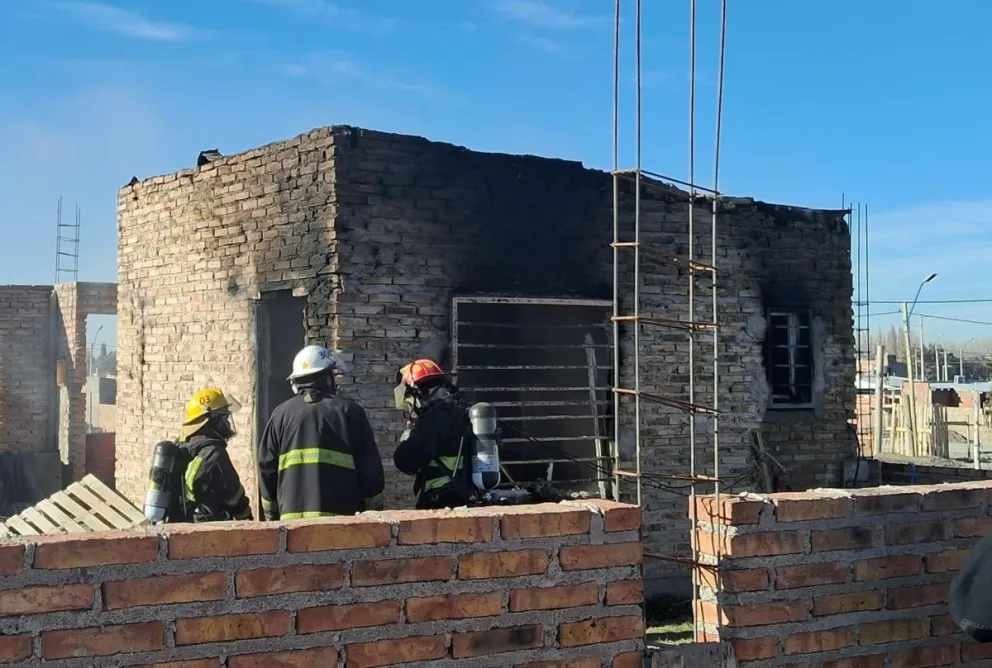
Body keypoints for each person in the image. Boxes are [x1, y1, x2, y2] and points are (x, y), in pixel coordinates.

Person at [257, 344, 385, 520]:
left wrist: (272, 515)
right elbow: (370, 470)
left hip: (291, 529)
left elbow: (266, 468)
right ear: (326, 378)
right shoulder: (350, 412)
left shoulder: (280, 415)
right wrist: (374, 513)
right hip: (341, 524)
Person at [392, 358, 474, 510]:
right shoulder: (461, 412)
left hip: (442, 501)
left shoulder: (433, 419)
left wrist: (408, 436)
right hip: (467, 498)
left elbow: (405, 462)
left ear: (416, 394)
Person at [179, 388, 253, 522]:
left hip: (187, 522)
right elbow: (234, 495)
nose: (228, 423)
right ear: (210, 421)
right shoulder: (214, 453)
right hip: (210, 528)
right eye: (224, 418)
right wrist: (247, 519)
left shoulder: (184, 444)